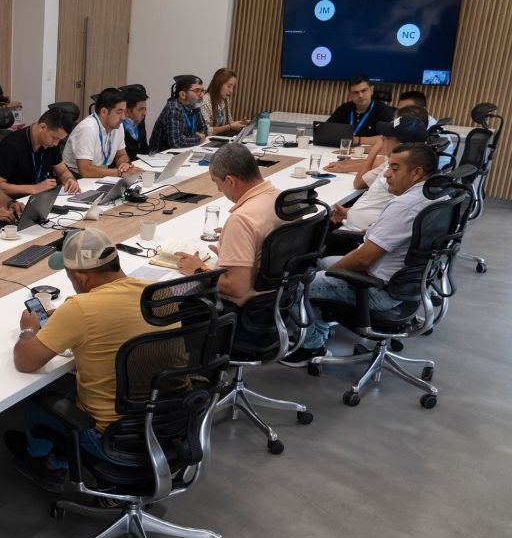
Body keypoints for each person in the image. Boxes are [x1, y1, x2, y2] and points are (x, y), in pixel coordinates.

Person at [4, 228, 167, 492]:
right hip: (170, 423)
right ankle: (60, 457)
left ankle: (49, 467)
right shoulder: (158, 294)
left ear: (81, 276)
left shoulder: (80, 308)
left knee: (39, 405)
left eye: (69, 275)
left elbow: (25, 361)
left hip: (111, 436)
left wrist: (28, 330)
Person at [281, 143, 439, 366]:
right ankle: (320, 329)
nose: (386, 174)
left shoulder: (405, 205)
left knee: (296, 284)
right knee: (322, 264)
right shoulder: (435, 197)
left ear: (416, 173)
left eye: (394, 168)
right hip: (409, 286)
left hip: (380, 290)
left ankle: (310, 347)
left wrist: (333, 273)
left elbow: (363, 259)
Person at [174, 144, 285, 307]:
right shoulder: (284, 200)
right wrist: (235, 247)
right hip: (281, 297)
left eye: (217, 182)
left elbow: (237, 288)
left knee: (175, 291)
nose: (219, 190)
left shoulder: (242, 219)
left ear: (230, 181)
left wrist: (200, 270)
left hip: (245, 308)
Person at [324, 109, 429, 256]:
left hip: (356, 239)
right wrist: (350, 212)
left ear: (402, 145)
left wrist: (374, 149)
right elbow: (362, 186)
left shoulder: (401, 178)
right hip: (350, 228)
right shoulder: (391, 165)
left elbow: (391, 219)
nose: (382, 139)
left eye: (386, 137)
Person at [0, 108, 80, 198]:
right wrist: (34, 188)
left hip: (40, 199)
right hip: (15, 202)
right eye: (54, 138)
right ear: (42, 127)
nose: (56, 143)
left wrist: (70, 180)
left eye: (59, 140)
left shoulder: (50, 144)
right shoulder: (11, 146)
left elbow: (62, 171)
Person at [62, 87, 139, 179]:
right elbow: (85, 170)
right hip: (76, 177)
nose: (123, 117)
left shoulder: (118, 126)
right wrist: (119, 172)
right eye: (119, 112)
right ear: (104, 112)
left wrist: (124, 165)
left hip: (101, 174)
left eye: (124, 111)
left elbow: (121, 155)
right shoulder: (88, 129)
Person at [326, 74, 395, 147]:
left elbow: (390, 138)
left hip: (370, 153)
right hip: (344, 150)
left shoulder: (383, 110)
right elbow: (326, 130)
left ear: (371, 90)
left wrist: (357, 140)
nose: (360, 95)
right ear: (350, 95)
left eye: (364, 90)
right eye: (355, 92)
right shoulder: (344, 108)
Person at [149, 75, 208, 150]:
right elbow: (176, 142)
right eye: (197, 91)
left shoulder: (194, 106)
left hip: (182, 152)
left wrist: (186, 138)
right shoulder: (174, 108)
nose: (202, 94)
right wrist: (198, 138)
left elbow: (204, 130)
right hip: (160, 157)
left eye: (202, 90)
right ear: (183, 95)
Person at [200, 68, 250, 137]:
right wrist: (230, 126)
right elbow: (205, 131)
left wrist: (240, 123)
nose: (231, 91)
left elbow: (230, 122)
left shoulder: (225, 100)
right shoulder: (205, 101)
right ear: (218, 84)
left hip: (219, 138)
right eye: (229, 86)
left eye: (233, 87)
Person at [120, 84, 151, 161]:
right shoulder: (118, 127)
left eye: (145, 109)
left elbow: (145, 147)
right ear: (127, 111)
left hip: (142, 165)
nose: (144, 113)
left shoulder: (140, 121)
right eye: (140, 109)